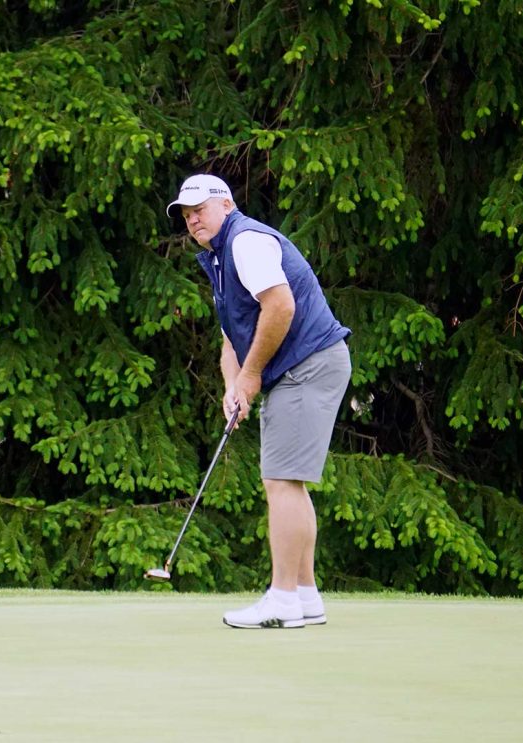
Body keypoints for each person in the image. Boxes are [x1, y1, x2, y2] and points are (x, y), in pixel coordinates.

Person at [166, 174, 352, 629]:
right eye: (186, 215)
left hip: (307, 363)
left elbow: (280, 306)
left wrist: (251, 376)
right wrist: (234, 385)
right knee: (289, 482)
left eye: (200, 210)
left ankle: (283, 598)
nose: (193, 220)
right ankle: (305, 596)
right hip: (305, 366)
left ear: (226, 204)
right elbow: (232, 338)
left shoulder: (245, 242)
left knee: (281, 480)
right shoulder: (218, 260)